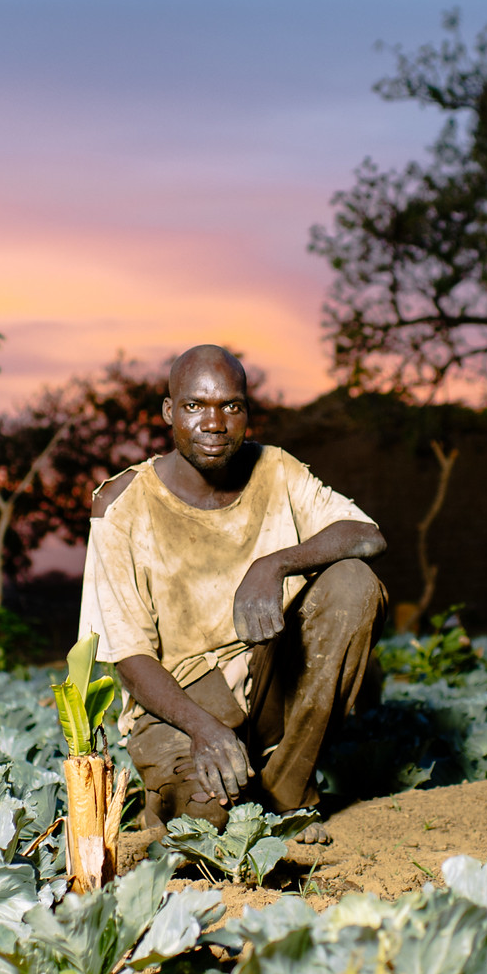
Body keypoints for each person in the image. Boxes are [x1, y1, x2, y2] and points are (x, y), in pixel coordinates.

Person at [81, 345, 387, 844]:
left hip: (268, 679)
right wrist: (205, 730)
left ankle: (289, 792)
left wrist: (276, 563)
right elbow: (129, 659)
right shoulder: (123, 505)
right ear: (168, 412)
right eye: (195, 406)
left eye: (231, 405)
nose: (215, 422)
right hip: (179, 699)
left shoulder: (276, 469)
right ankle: (166, 797)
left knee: (353, 582)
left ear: (247, 410)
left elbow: (367, 534)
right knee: (209, 824)